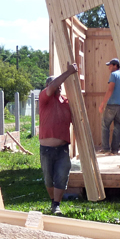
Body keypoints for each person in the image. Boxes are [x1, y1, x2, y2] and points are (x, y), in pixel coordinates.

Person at [38, 62, 78, 215]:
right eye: (53, 85)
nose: (56, 87)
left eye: (58, 86)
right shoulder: (44, 98)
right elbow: (53, 86)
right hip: (46, 149)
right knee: (49, 179)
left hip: (62, 149)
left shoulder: (66, 102)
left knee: (61, 176)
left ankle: (56, 204)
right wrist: (68, 73)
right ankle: (52, 201)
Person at [99, 58, 120, 156]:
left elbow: (110, 90)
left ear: (116, 65)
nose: (109, 68)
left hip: (112, 105)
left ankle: (106, 149)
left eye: (110, 66)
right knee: (118, 128)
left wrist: (103, 103)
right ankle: (114, 151)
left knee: (105, 125)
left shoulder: (114, 75)